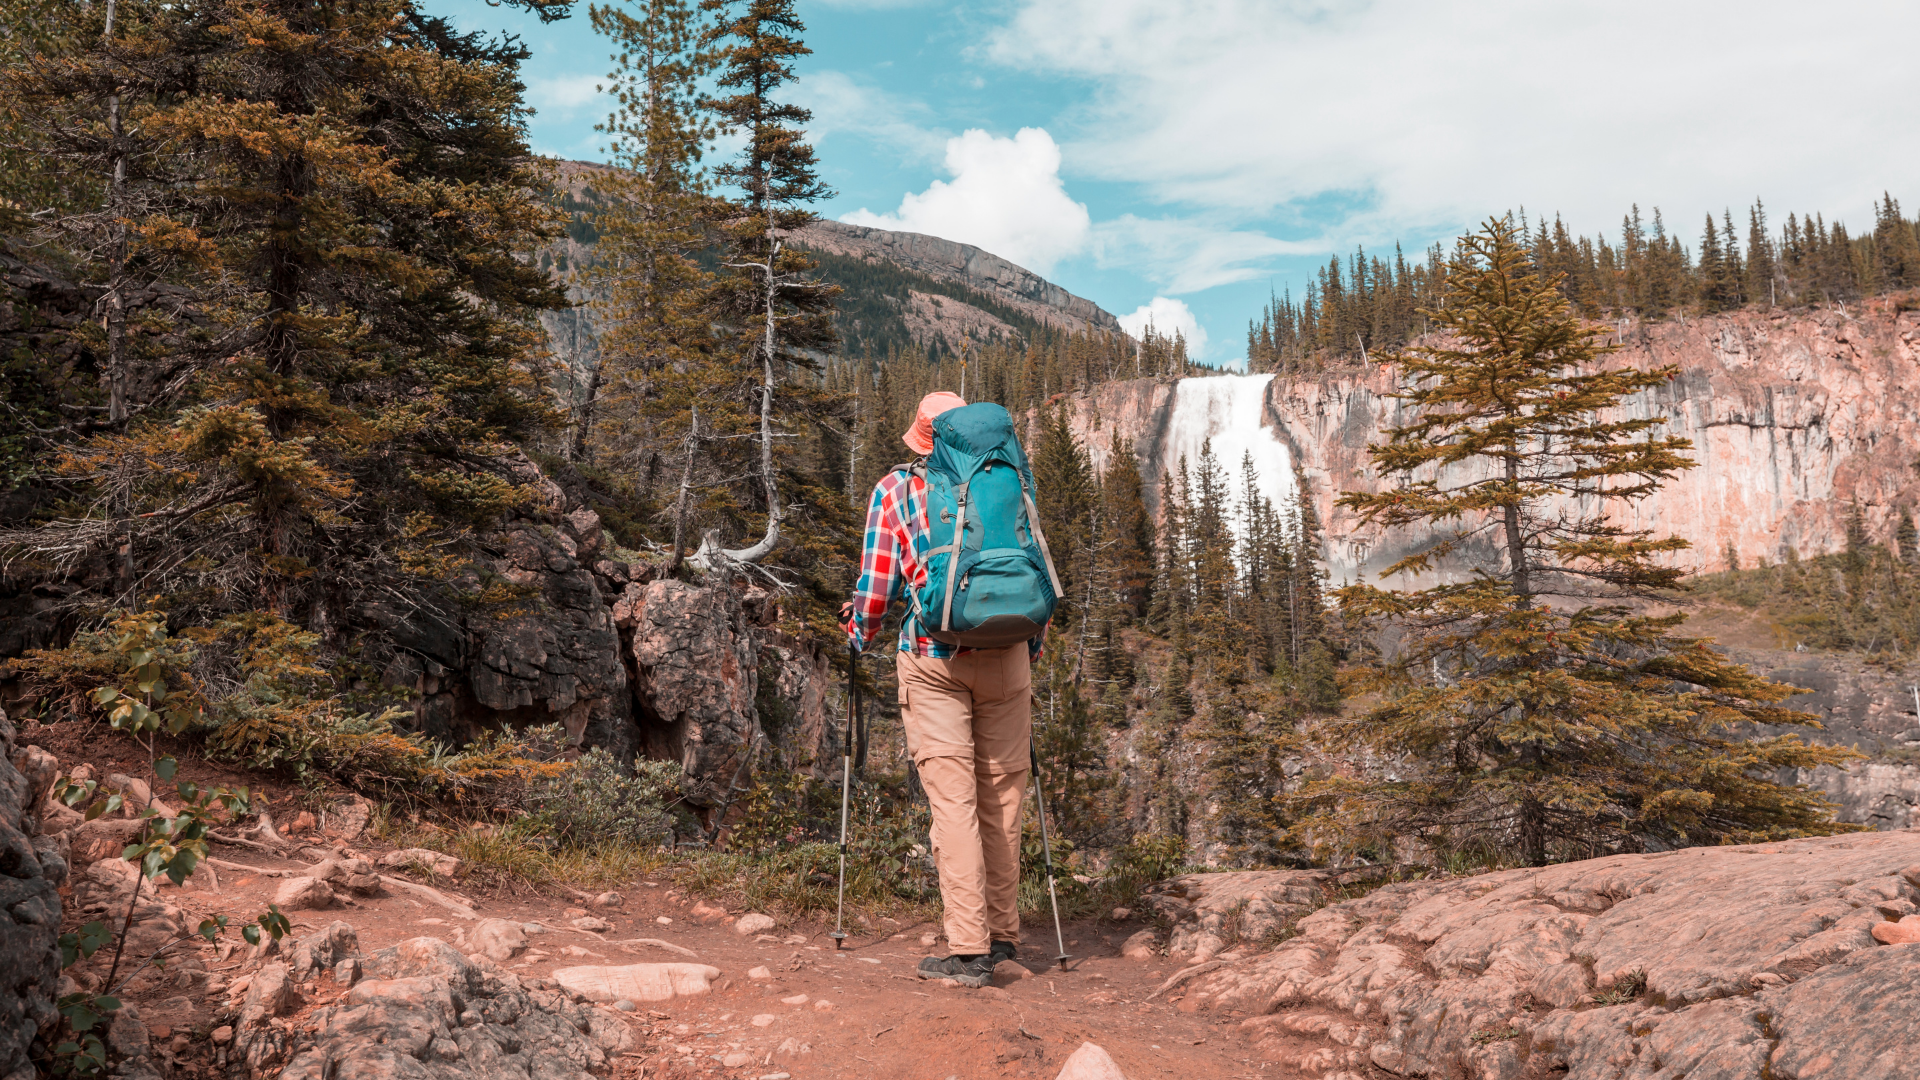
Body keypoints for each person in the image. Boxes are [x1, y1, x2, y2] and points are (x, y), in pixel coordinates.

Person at [840, 391, 1047, 989]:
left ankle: (969, 950)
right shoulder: (1010, 480)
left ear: (923, 438)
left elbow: (876, 589)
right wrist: (1028, 647)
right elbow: (1034, 567)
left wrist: (858, 633)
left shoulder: (896, 489)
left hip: (933, 660)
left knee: (953, 803)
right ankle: (1003, 936)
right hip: (1008, 657)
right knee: (1002, 799)